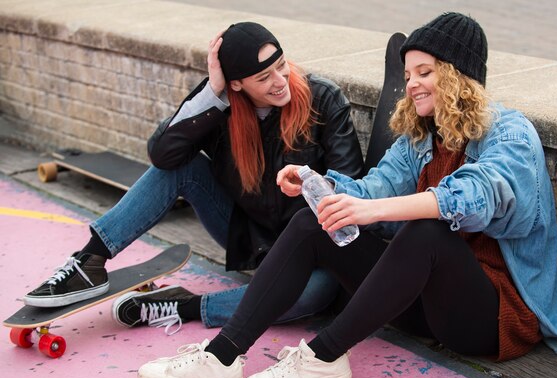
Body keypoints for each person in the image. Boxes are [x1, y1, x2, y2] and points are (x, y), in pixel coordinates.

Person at [136, 12, 557, 378]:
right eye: (410, 74)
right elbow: (372, 187)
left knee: (426, 230)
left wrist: (373, 213)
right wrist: (318, 185)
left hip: (494, 318)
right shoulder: (421, 137)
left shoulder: (509, 134)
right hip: (421, 306)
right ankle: (221, 357)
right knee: (312, 222)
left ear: (458, 75)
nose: (411, 84)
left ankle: (324, 358)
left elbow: (476, 196)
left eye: (425, 72)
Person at [23, 22, 364, 332]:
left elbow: (350, 183)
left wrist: (311, 183)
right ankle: (90, 262)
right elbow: (163, 155)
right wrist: (212, 93)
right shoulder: (221, 106)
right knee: (182, 167)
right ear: (236, 83)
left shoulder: (323, 98)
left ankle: (186, 305)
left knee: (315, 294)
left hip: (311, 248)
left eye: (281, 65)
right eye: (263, 78)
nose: (280, 81)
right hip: (251, 237)